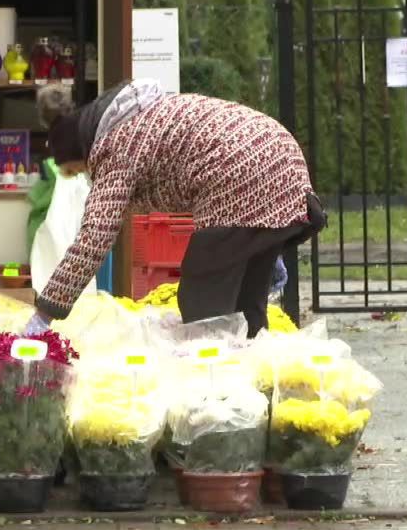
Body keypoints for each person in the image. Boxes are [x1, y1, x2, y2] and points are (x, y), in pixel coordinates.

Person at [27, 79, 326, 337]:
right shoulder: (139, 118)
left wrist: (46, 311)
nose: (83, 177)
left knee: (204, 307)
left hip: (241, 173)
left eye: (76, 170)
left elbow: (95, 237)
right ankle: (254, 391)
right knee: (246, 308)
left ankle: (217, 394)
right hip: (278, 156)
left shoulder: (114, 147)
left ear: (82, 152)